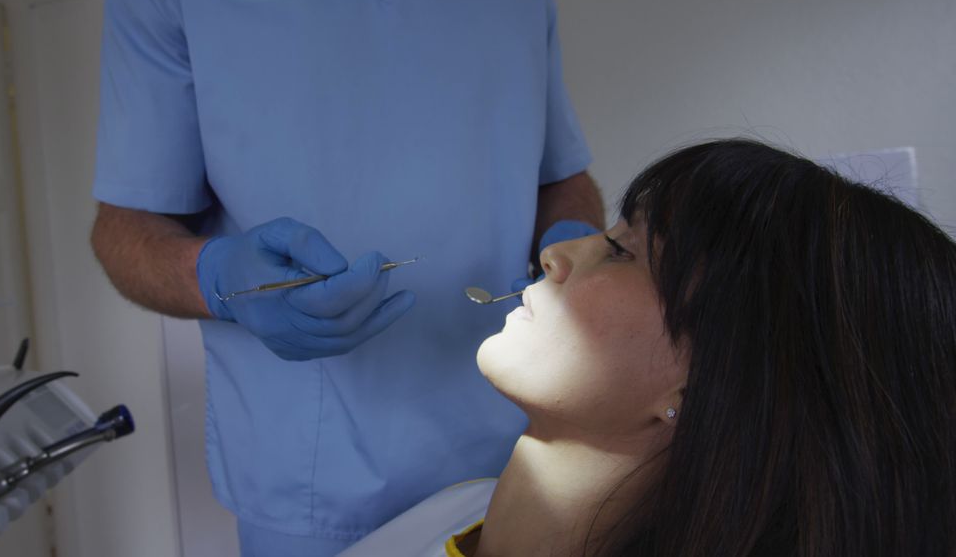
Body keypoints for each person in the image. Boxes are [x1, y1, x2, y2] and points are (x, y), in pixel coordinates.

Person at [88, 0, 605, 554]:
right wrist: (219, 279)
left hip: (518, 449)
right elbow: (124, 230)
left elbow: (563, 179)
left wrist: (574, 246)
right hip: (312, 484)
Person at [340, 139, 956, 556]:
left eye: (623, 251)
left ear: (703, 389)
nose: (554, 254)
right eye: (611, 233)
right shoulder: (449, 512)